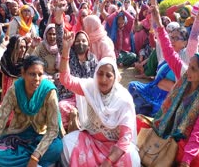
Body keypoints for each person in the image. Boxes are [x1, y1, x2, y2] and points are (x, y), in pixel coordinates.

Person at [138, 0, 199, 167]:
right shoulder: (183, 74)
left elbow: (197, 133)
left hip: (185, 138)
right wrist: (156, 15)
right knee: (139, 122)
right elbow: (166, 47)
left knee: (198, 159)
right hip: (165, 127)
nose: (188, 71)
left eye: (194, 69)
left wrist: (186, 161)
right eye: (189, 66)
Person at [59, 32, 140, 166]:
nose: (103, 79)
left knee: (133, 157)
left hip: (115, 147)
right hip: (90, 141)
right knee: (66, 144)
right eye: (100, 74)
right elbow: (65, 79)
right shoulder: (91, 87)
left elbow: (125, 138)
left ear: (115, 78)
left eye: (108, 75)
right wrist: (66, 49)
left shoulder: (123, 98)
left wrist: (108, 162)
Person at [0, 56, 63, 167]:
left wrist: (36, 156)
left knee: (57, 147)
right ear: (23, 73)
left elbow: (53, 129)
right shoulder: (14, 90)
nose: (37, 79)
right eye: (32, 74)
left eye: (40, 74)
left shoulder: (49, 91)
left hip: (40, 137)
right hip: (17, 138)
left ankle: (30, 162)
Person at [0, 35, 31, 121]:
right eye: (20, 47)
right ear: (13, 48)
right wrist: (2, 46)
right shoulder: (6, 63)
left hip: (24, 103)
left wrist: (33, 47)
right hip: (7, 104)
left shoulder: (26, 63)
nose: (23, 50)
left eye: (24, 47)